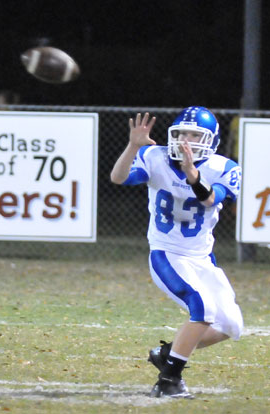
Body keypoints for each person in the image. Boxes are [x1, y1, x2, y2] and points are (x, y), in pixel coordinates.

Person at [110, 106, 244, 399]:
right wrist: (133, 145)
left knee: (231, 325)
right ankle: (168, 381)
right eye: (182, 133)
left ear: (210, 140)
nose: (186, 140)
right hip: (167, 254)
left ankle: (167, 354)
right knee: (204, 309)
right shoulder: (154, 157)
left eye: (195, 135)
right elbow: (119, 178)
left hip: (201, 259)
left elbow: (210, 199)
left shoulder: (224, 168)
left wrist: (192, 174)